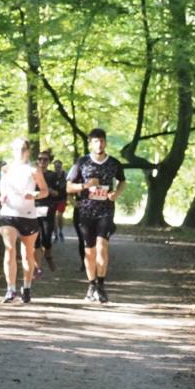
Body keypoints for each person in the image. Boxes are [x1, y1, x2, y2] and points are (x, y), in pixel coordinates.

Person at [66, 128, 126, 303]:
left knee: (102, 247)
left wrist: (116, 194)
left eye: (101, 141)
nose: (99, 144)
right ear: (90, 143)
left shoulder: (114, 163)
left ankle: (101, 285)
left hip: (106, 210)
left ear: (105, 142)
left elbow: (122, 181)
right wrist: (85, 186)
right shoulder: (82, 162)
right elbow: (69, 187)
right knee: (89, 251)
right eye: (95, 141)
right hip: (86, 211)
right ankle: (91, 284)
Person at [0, 138, 49, 304]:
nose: (19, 152)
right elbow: (2, 187)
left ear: (27, 151)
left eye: (22, 149)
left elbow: (45, 191)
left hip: (28, 214)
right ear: (12, 150)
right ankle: (10, 289)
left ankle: (26, 287)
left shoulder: (34, 170)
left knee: (27, 253)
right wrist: (2, 195)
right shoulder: (5, 169)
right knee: (10, 249)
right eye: (16, 149)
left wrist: (35, 195)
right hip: (8, 213)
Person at [34, 151, 58, 274]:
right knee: (35, 238)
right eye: (40, 159)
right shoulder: (32, 174)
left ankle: (48, 256)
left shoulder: (53, 175)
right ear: (37, 160)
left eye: (45, 159)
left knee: (47, 237)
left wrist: (48, 190)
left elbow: (58, 193)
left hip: (48, 208)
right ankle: (38, 266)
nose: (42, 162)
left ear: (49, 161)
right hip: (33, 208)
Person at [52, 159, 67, 242]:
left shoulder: (65, 175)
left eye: (58, 166)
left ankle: (61, 231)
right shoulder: (52, 175)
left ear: (61, 166)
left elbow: (69, 184)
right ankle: (56, 234)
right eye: (56, 166)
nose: (57, 168)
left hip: (62, 199)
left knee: (60, 216)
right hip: (53, 200)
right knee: (54, 217)